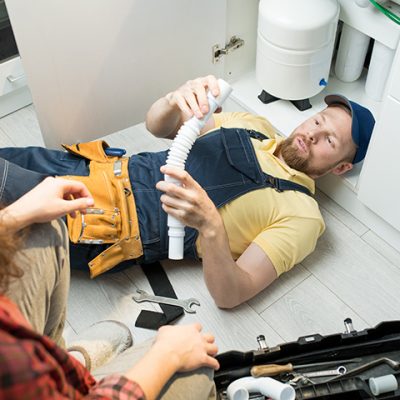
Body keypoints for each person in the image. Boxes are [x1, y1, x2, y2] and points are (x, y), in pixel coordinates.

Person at [0, 75, 375, 309]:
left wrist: (211, 226)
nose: (312, 133)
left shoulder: (302, 216)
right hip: (90, 166)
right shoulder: (253, 125)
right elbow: (158, 126)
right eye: (318, 121)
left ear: (340, 167)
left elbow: (232, 294)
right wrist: (174, 99)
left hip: (106, 221)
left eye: (330, 140)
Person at [0, 176, 219, 399]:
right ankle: (62, 377)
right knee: (198, 366)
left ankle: (59, 360)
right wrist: (169, 355)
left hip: (24, 357)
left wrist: (13, 216)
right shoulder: (11, 360)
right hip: (30, 381)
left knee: (41, 228)